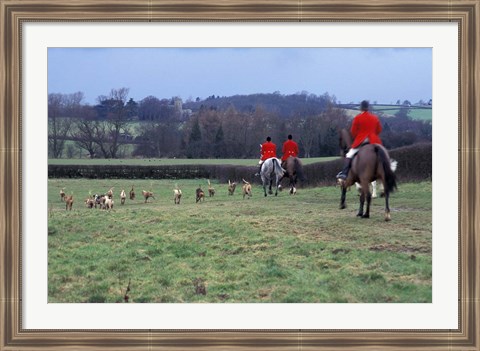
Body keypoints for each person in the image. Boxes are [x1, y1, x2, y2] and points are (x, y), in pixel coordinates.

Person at [336, 100, 383, 180]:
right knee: (383, 154)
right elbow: (379, 130)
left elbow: (353, 131)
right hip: (374, 141)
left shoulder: (358, 118)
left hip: (362, 140)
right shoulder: (375, 118)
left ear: (361, 108)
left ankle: (344, 174)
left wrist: (358, 137)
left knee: (349, 155)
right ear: (368, 108)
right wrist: (373, 135)